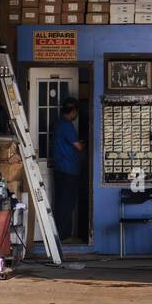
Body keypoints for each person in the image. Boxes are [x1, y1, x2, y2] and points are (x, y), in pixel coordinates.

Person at [51, 97, 84, 245]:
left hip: (60, 169)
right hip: (68, 170)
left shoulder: (58, 124)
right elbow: (78, 147)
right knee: (67, 203)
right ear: (73, 111)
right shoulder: (67, 126)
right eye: (76, 112)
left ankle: (59, 233)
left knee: (60, 202)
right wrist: (83, 143)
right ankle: (64, 235)